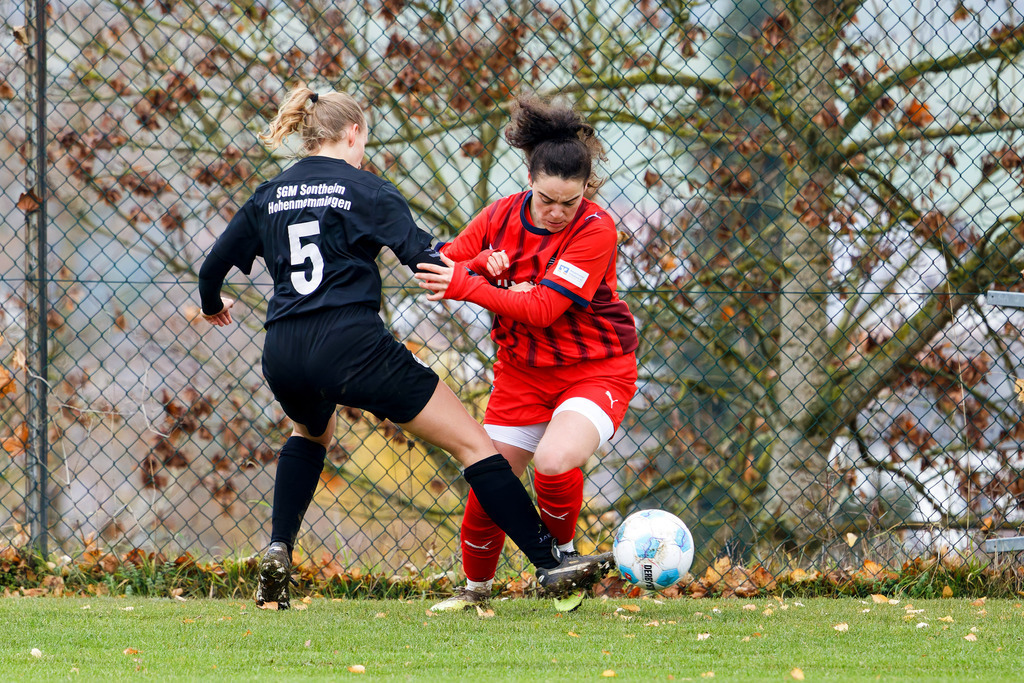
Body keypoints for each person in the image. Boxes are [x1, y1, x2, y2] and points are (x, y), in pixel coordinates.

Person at [197, 86, 611, 609]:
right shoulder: (368, 190)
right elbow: (427, 262)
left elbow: (211, 270)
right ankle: (551, 564)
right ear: (354, 133)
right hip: (353, 346)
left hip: (283, 350)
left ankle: (279, 548)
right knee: (474, 445)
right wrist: (482, 266)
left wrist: (213, 304)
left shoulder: (267, 194)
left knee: (310, 433)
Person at [415, 96, 639, 611]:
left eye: (570, 200)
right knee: (489, 488)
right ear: (528, 179)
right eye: (546, 200)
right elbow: (442, 265)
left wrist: (469, 284)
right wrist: (477, 267)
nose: (558, 212)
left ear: (586, 189)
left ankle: (562, 562)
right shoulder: (498, 216)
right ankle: (476, 594)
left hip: (595, 370)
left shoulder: (597, 229)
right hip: (520, 376)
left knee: (556, 462)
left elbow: (541, 309)